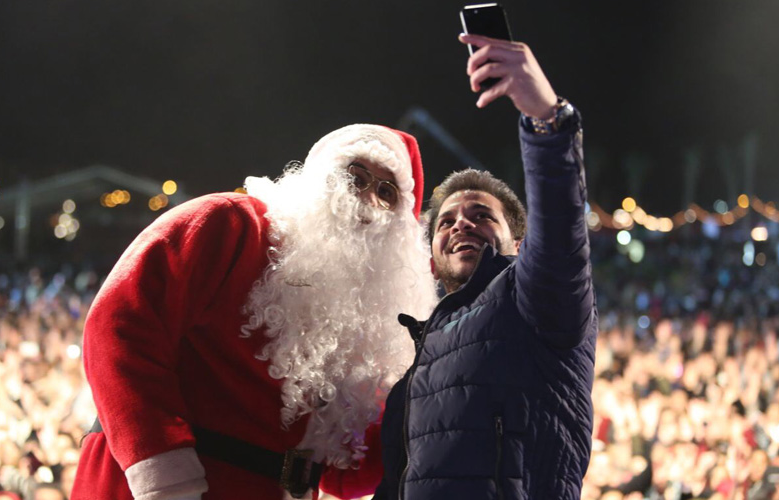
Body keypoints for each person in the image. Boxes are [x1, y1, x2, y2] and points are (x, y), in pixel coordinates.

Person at [71, 124, 438, 499]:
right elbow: (119, 325)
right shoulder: (230, 221)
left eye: (387, 193)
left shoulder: (363, 318)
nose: (368, 199)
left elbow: (341, 474)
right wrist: (162, 472)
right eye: (355, 177)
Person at [373, 33, 597, 499]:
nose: (461, 224)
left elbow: (561, 231)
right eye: (446, 221)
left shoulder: (533, 301)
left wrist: (547, 121)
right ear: (431, 259)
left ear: (519, 244)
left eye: (482, 215)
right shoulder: (418, 355)